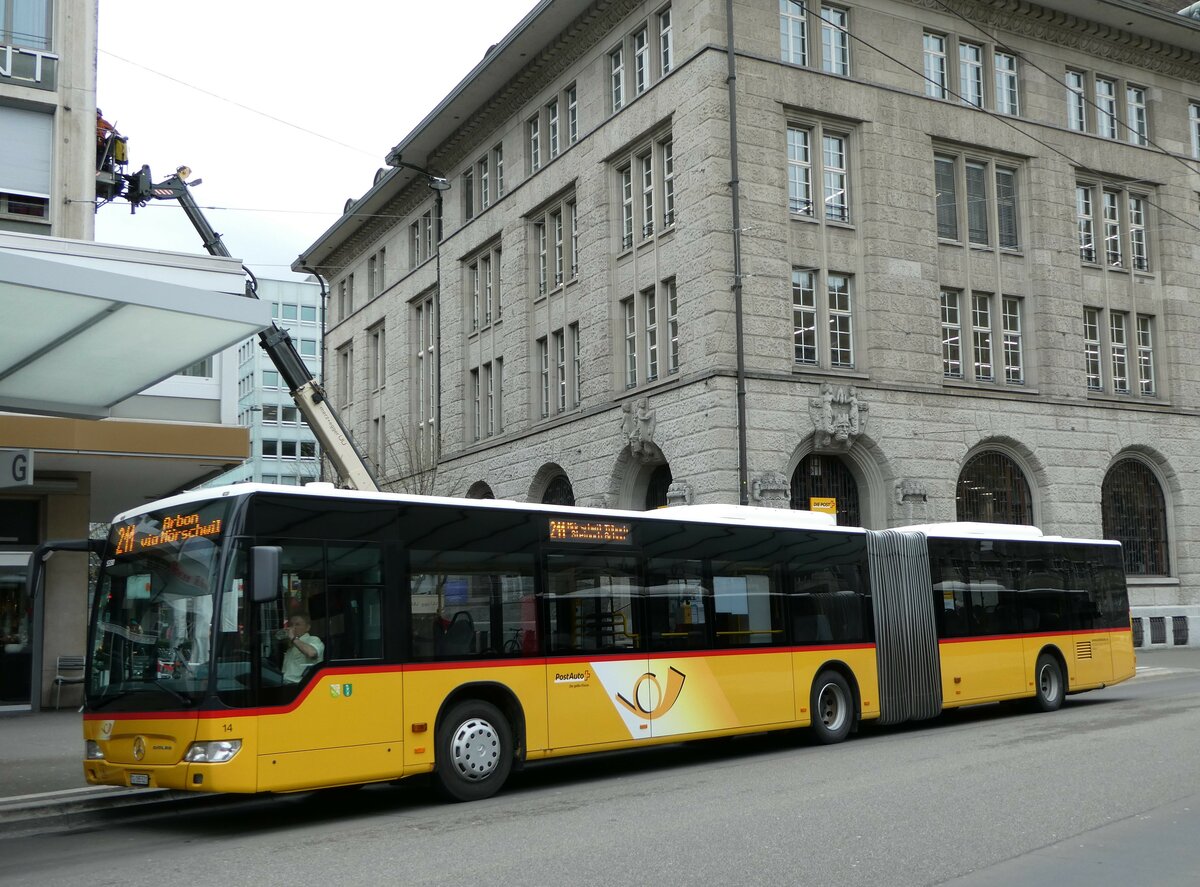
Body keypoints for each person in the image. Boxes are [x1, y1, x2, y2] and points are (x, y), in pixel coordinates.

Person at [281, 613, 324, 682]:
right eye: (291, 624)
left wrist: (293, 638)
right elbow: (284, 672)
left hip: (302, 685)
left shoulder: (313, 639)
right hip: (286, 684)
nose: (293, 627)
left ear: (307, 627)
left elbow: (312, 653)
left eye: (297, 624)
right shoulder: (291, 648)